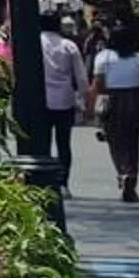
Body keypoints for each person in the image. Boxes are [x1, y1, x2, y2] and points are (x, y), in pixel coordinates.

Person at [90, 16, 139, 203]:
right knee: (132, 141)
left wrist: (92, 107)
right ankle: (131, 177)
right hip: (135, 99)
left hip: (112, 100)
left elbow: (98, 85)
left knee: (115, 141)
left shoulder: (103, 57)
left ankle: (122, 171)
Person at [39, 13, 88, 188]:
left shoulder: (33, 43)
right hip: (64, 99)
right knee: (64, 143)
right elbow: (81, 77)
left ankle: (43, 180)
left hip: (41, 99)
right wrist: (84, 98)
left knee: (42, 142)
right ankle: (63, 181)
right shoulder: (69, 46)